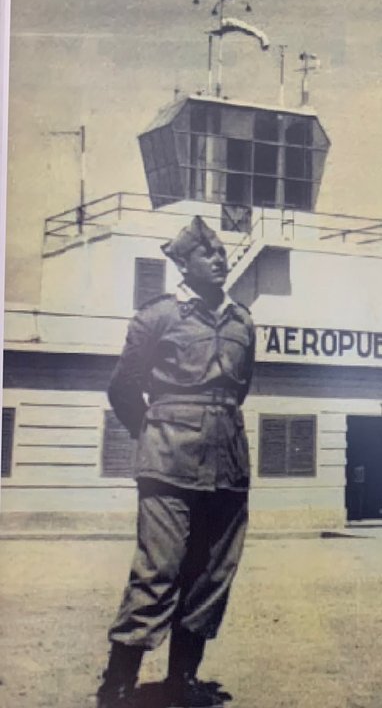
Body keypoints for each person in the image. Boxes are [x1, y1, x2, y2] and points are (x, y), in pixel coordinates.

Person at [96, 216, 255, 708]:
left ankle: (181, 679)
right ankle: (118, 683)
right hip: (167, 459)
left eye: (222, 251)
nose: (219, 258)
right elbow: (123, 387)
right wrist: (152, 432)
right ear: (184, 263)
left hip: (227, 461)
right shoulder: (158, 316)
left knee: (212, 573)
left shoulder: (242, 321)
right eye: (207, 252)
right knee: (158, 569)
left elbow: (240, 389)